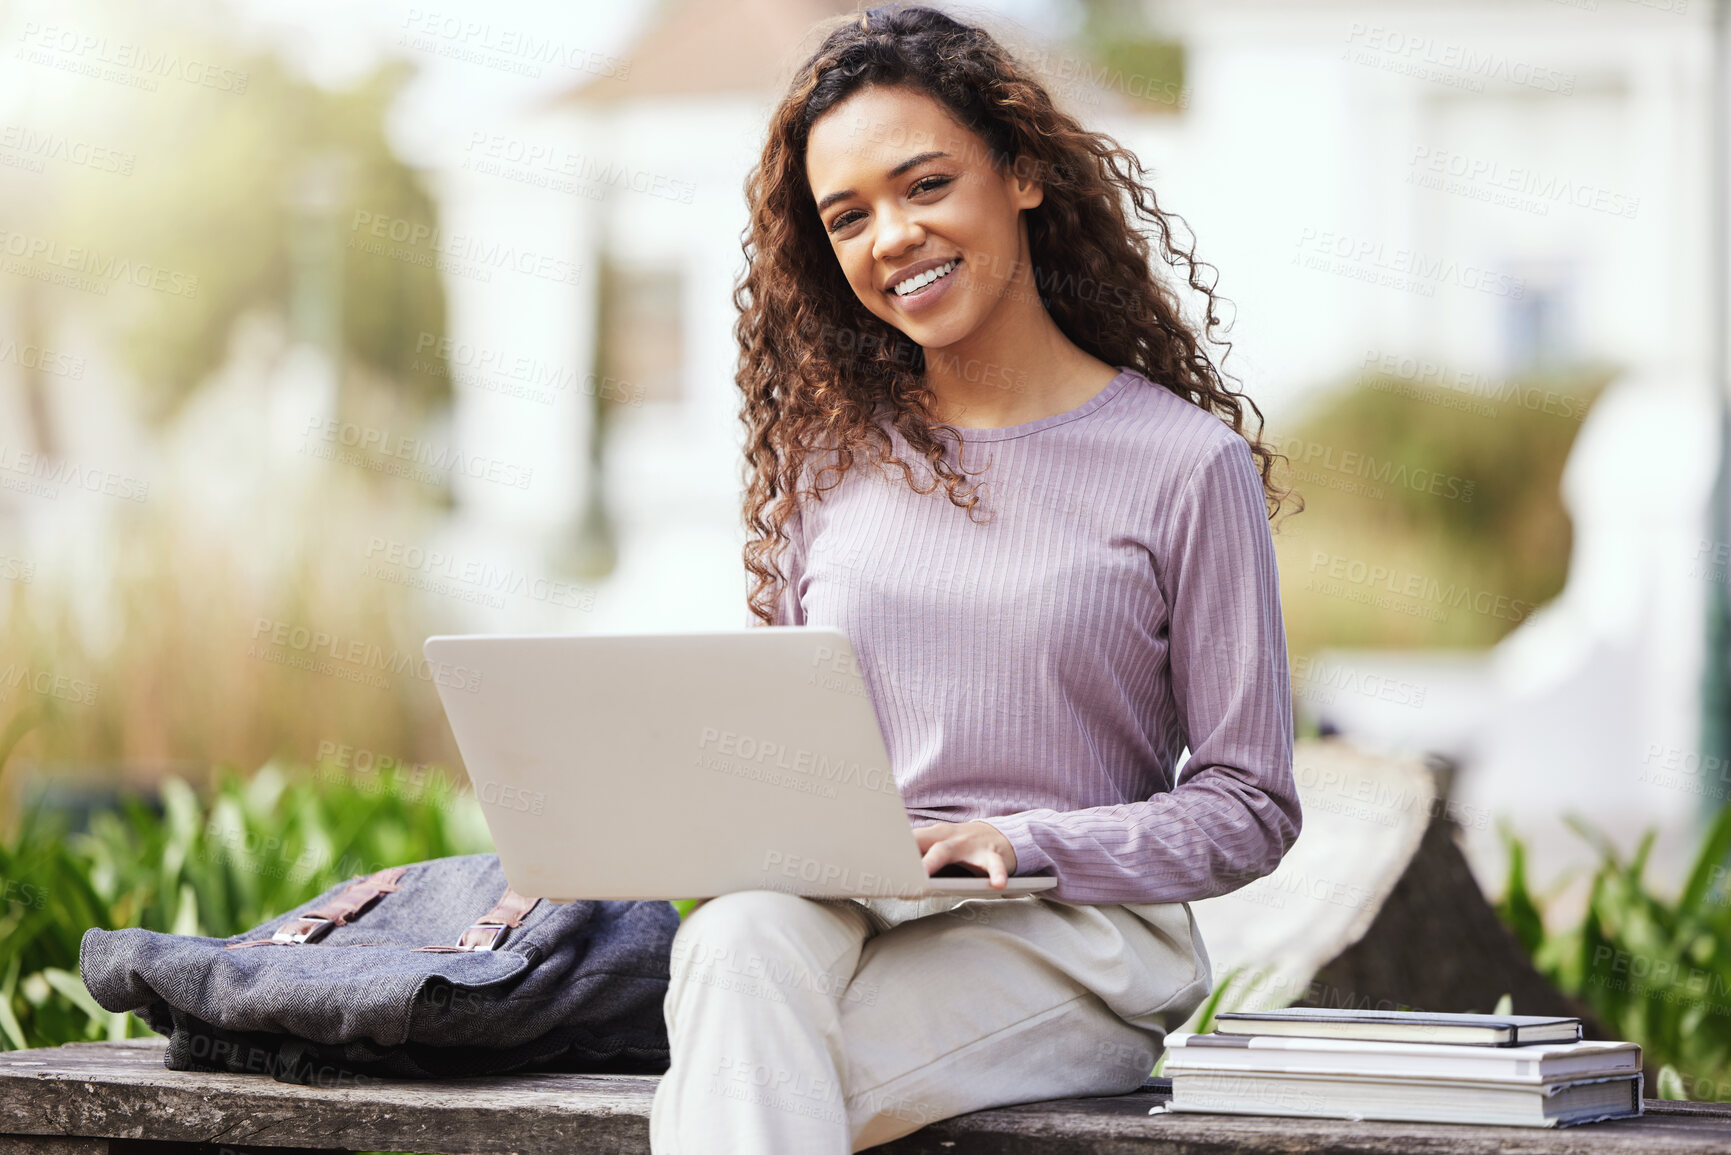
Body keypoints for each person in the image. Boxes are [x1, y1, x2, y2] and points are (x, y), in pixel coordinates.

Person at [648, 6, 1303, 1151]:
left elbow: (1250, 804)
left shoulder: (1185, 466)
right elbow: (786, 747)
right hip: (849, 903)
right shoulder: (830, 468)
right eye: (847, 217)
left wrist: (1025, 843)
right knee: (732, 941)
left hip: (1074, 929)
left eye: (925, 185)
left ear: (1026, 173)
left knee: (749, 1074)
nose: (891, 236)